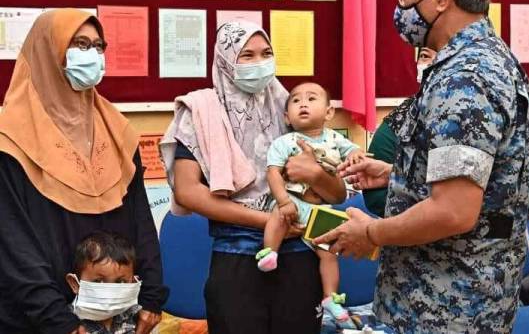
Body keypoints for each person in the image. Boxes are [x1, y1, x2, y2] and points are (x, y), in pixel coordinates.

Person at [314, 0, 529, 333]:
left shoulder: (467, 76)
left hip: (446, 307)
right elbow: (477, 185)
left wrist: (372, 232)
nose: (399, 3)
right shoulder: (484, 58)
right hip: (446, 299)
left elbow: (454, 211)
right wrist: (400, 176)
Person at [161, 21, 346, 334]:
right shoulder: (201, 111)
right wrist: (268, 222)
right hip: (237, 256)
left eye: (266, 53)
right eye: (247, 55)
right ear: (225, 58)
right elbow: (188, 192)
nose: (259, 62)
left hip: (301, 254)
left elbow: (337, 193)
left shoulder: (292, 108)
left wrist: (315, 173)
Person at [0, 9, 167, 334]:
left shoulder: (115, 131)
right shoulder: (9, 139)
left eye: (98, 46)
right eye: (79, 44)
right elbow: (12, 243)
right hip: (38, 320)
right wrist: (61, 322)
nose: (92, 56)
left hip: (118, 316)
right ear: (49, 51)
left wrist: (152, 297)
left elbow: (141, 220)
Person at [257, 82, 362, 324]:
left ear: (328, 113)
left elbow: (354, 151)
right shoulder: (285, 142)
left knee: (328, 255)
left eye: (311, 98)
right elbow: (273, 173)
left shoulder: (335, 138)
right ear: (286, 116)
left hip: (321, 208)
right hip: (292, 201)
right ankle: (270, 252)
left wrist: (356, 154)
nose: (303, 103)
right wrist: (283, 201)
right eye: (295, 100)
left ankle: (330, 298)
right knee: (276, 218)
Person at [362, 47, 436, 217]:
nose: (431, 63)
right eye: (424, 56)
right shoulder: (403, 116)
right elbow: (375, 196)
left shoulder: (472, 114)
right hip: (407, 230)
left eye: (442, 55)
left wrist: (400, 179)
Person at [66, 232, 141, 334]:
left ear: (133, 282)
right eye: (98, 282)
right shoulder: (67, 322)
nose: (110, 292)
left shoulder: (137, 316)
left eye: (121, 282)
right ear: (75, 284)